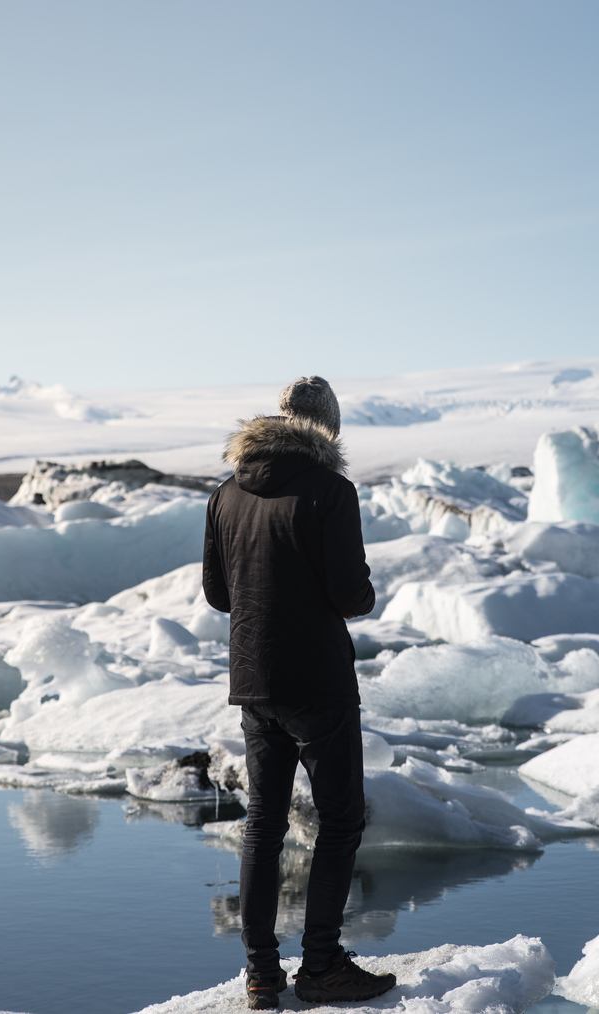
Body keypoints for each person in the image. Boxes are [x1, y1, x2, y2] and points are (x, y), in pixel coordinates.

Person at [202, 376, 397, 1010]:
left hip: (253, 678)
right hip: (317, 678)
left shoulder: (227, 494)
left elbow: (218, 594)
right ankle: (321, 966)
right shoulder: (331, 492)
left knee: (263, 821)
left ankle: (261, 974)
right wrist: (358, 593)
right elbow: (350, 595)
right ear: (327, 430)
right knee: (340, 819)